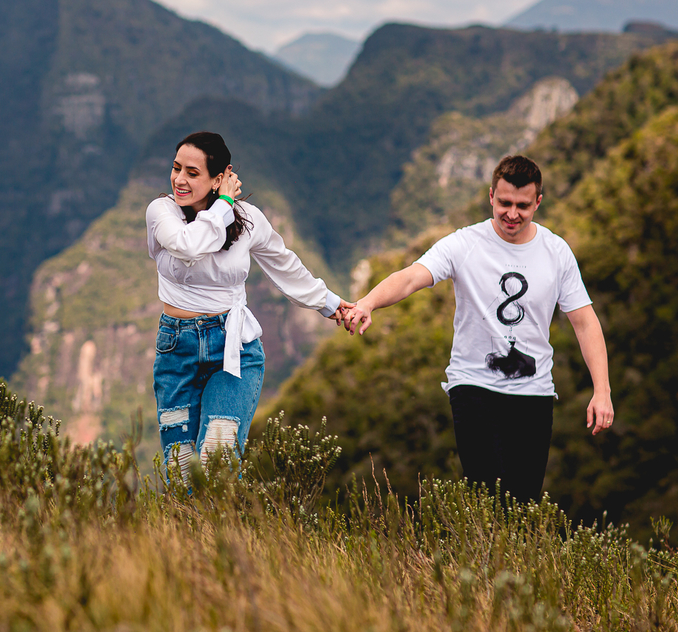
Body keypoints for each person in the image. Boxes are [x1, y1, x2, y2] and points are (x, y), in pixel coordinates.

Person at [343, 155, 613, 503]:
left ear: (538, 202)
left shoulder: (556, 252)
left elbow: (585, 322)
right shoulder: (464, 244)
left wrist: (602, 390)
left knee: (523, 504)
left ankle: (510, 558)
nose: (512, 214)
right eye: (504, 203)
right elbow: (411, 277)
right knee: (488, 497)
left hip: (534, 393)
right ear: (490, 197)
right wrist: (367, 303)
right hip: (474, 386)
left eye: (522, 205)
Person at [146, 131, 351, 481]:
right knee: (179, 468)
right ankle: (185, 535)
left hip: (233, 347)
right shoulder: (161, 211)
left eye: (192, 173)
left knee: (218, 460)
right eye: (176, 168)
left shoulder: (248, 219)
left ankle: (222, 535)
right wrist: (224, 204)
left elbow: (284, 265)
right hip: (176, 349)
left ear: (219, 177)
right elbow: (188, 246)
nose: (180, 180)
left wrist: (331, 305)